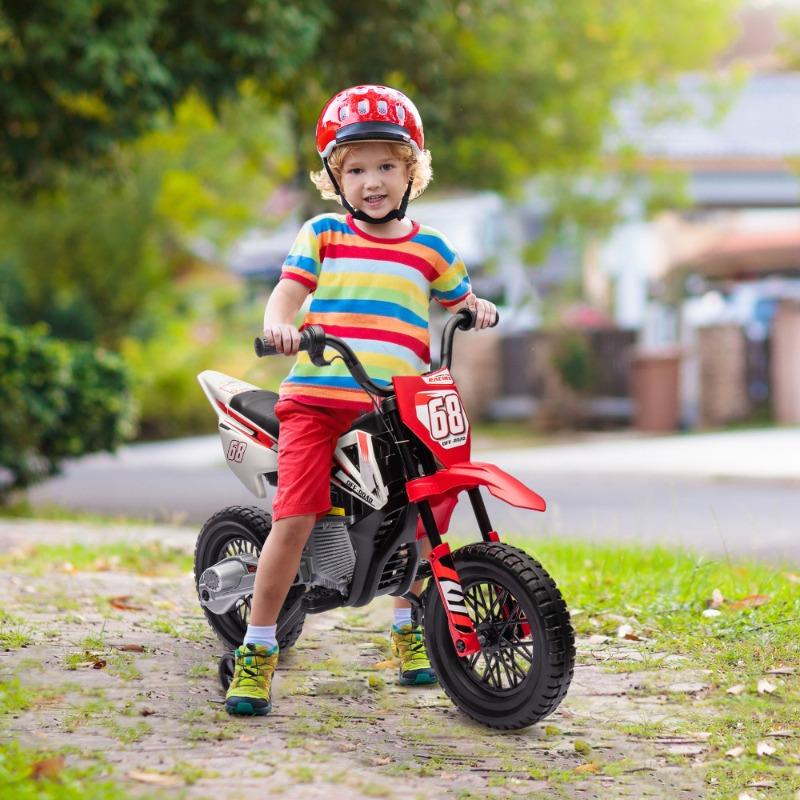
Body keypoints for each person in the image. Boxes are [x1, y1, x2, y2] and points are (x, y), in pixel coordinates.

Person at [225, 85, 497, 716]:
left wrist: (474, 309)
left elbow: (460, 302)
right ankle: (257, 649)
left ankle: (410, 631)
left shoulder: (432, 247)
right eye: (354, 168)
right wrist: (280, 326)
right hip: (319, 400)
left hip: (399, 403)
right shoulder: (323, 233)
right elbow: (287, 294)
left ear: (412, 171)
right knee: (294, 519)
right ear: (334, 177)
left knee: (427, 513)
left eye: (385, 166)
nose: (371, 181)